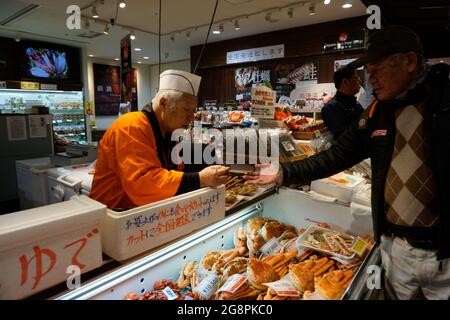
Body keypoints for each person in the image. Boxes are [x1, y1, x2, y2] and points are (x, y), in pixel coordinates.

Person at [245, 26, 450, 300]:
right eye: (367, 71)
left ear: (410, 62)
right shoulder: (378, 113)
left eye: (377, 69)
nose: (369, 80)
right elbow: (337, 155)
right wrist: (283, 172)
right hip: (395, 249)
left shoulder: (444, 103)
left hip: (443, 253)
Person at [90, 70, 229, 210]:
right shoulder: (131, 125)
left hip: (149, 213)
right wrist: (200, 179)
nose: (190, 117)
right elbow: (143, 184)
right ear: (163, 103)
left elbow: (176, 171)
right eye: (186, 110)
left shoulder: (171, 133)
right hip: (112, 214)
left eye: (193, 112)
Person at [321, 66, 363, 138]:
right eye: (356, 78)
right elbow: (341, 139)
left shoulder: (355, 103)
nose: (360, 81)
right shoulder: (331, 108)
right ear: (345, 82)